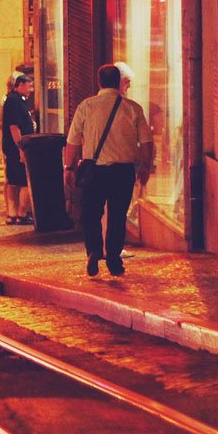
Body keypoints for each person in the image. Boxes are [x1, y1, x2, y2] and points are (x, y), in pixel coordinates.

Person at [63, 64, 154, 277]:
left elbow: (73, 142)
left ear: (99, 82)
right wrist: (145, 167)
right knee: (117, 215)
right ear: (119, 81)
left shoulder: (86, 106)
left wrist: (68, 168)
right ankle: (113, 258)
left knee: (90, 214)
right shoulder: (133, 108)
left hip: (94, 170)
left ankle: (94, 250)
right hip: (123, 172)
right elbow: (147, 142)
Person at [1, 73, 39, 225]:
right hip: (17, 149)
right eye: (29, 86)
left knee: (13, 181)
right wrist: (21, 149)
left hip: (13, 148)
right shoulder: (14, 101)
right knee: (24, 181)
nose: (31, 89)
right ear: (20, 85)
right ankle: (21, 214)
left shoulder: (15, 100)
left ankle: (12, 214)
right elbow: (14, 127)